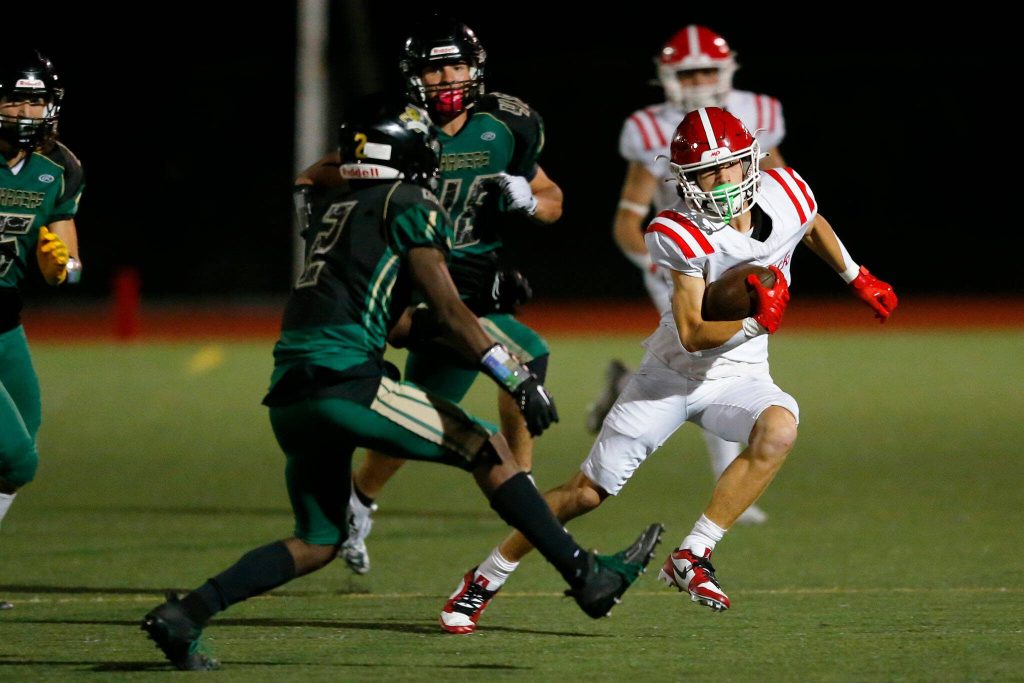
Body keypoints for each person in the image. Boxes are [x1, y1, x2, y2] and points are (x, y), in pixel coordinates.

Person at [140, 99, 662, 671]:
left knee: (318, 540)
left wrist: (486, 302)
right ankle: (586, 576)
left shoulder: (340, 209)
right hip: (346, 382)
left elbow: (400, 324)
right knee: (485, 446)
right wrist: (513, 376)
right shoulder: (409, 201)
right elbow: (446, 307)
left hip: (291, 394)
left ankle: (187, 613)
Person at [437, 106, 897, 634]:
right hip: (670, 378)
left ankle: (693, 554)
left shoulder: (786, 189)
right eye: (706, 172)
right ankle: (485, 577)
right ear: (685, 179)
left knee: (779, 429)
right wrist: (755, 323)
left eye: (728, 167)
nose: (721, 181)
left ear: (751, 160)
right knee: (585, 493)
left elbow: (808, 223)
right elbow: (693, 333)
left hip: (740, 375)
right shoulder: (676, 230)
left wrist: (856, 276)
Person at [299, 17, 564, 575]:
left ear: (476, 69)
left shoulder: (506, 127)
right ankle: (523, 487)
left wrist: (529, 200)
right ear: (414, 76)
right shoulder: (402, 126)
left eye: (455, 65)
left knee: (428, 406)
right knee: (523, 357)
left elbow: (552, 197)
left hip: (473, 280)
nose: (446, 78)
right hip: (413, 278)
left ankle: (357, 502)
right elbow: (316, 176)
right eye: (433, 67)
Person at [587, 25, 788, 525]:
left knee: (699, 365)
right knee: (711, 364)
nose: (698, 80)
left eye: (706, 70)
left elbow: (781, 186)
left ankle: (624, 386)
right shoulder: (650, 128)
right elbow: (627, 218)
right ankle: (733, 493)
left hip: (739, 257)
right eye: (688, 72)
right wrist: (663, 266)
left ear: (726, 71)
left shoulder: (758, 113)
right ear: (667, 76)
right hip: (687, 262)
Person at [0, 49, 83, 611]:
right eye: (16, 98)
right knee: (15, 456)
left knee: (21, 446)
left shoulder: (62, 167)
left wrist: (64, 267)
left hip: (5, 322)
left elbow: (68, 252)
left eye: (37, 99)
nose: (28, 111)